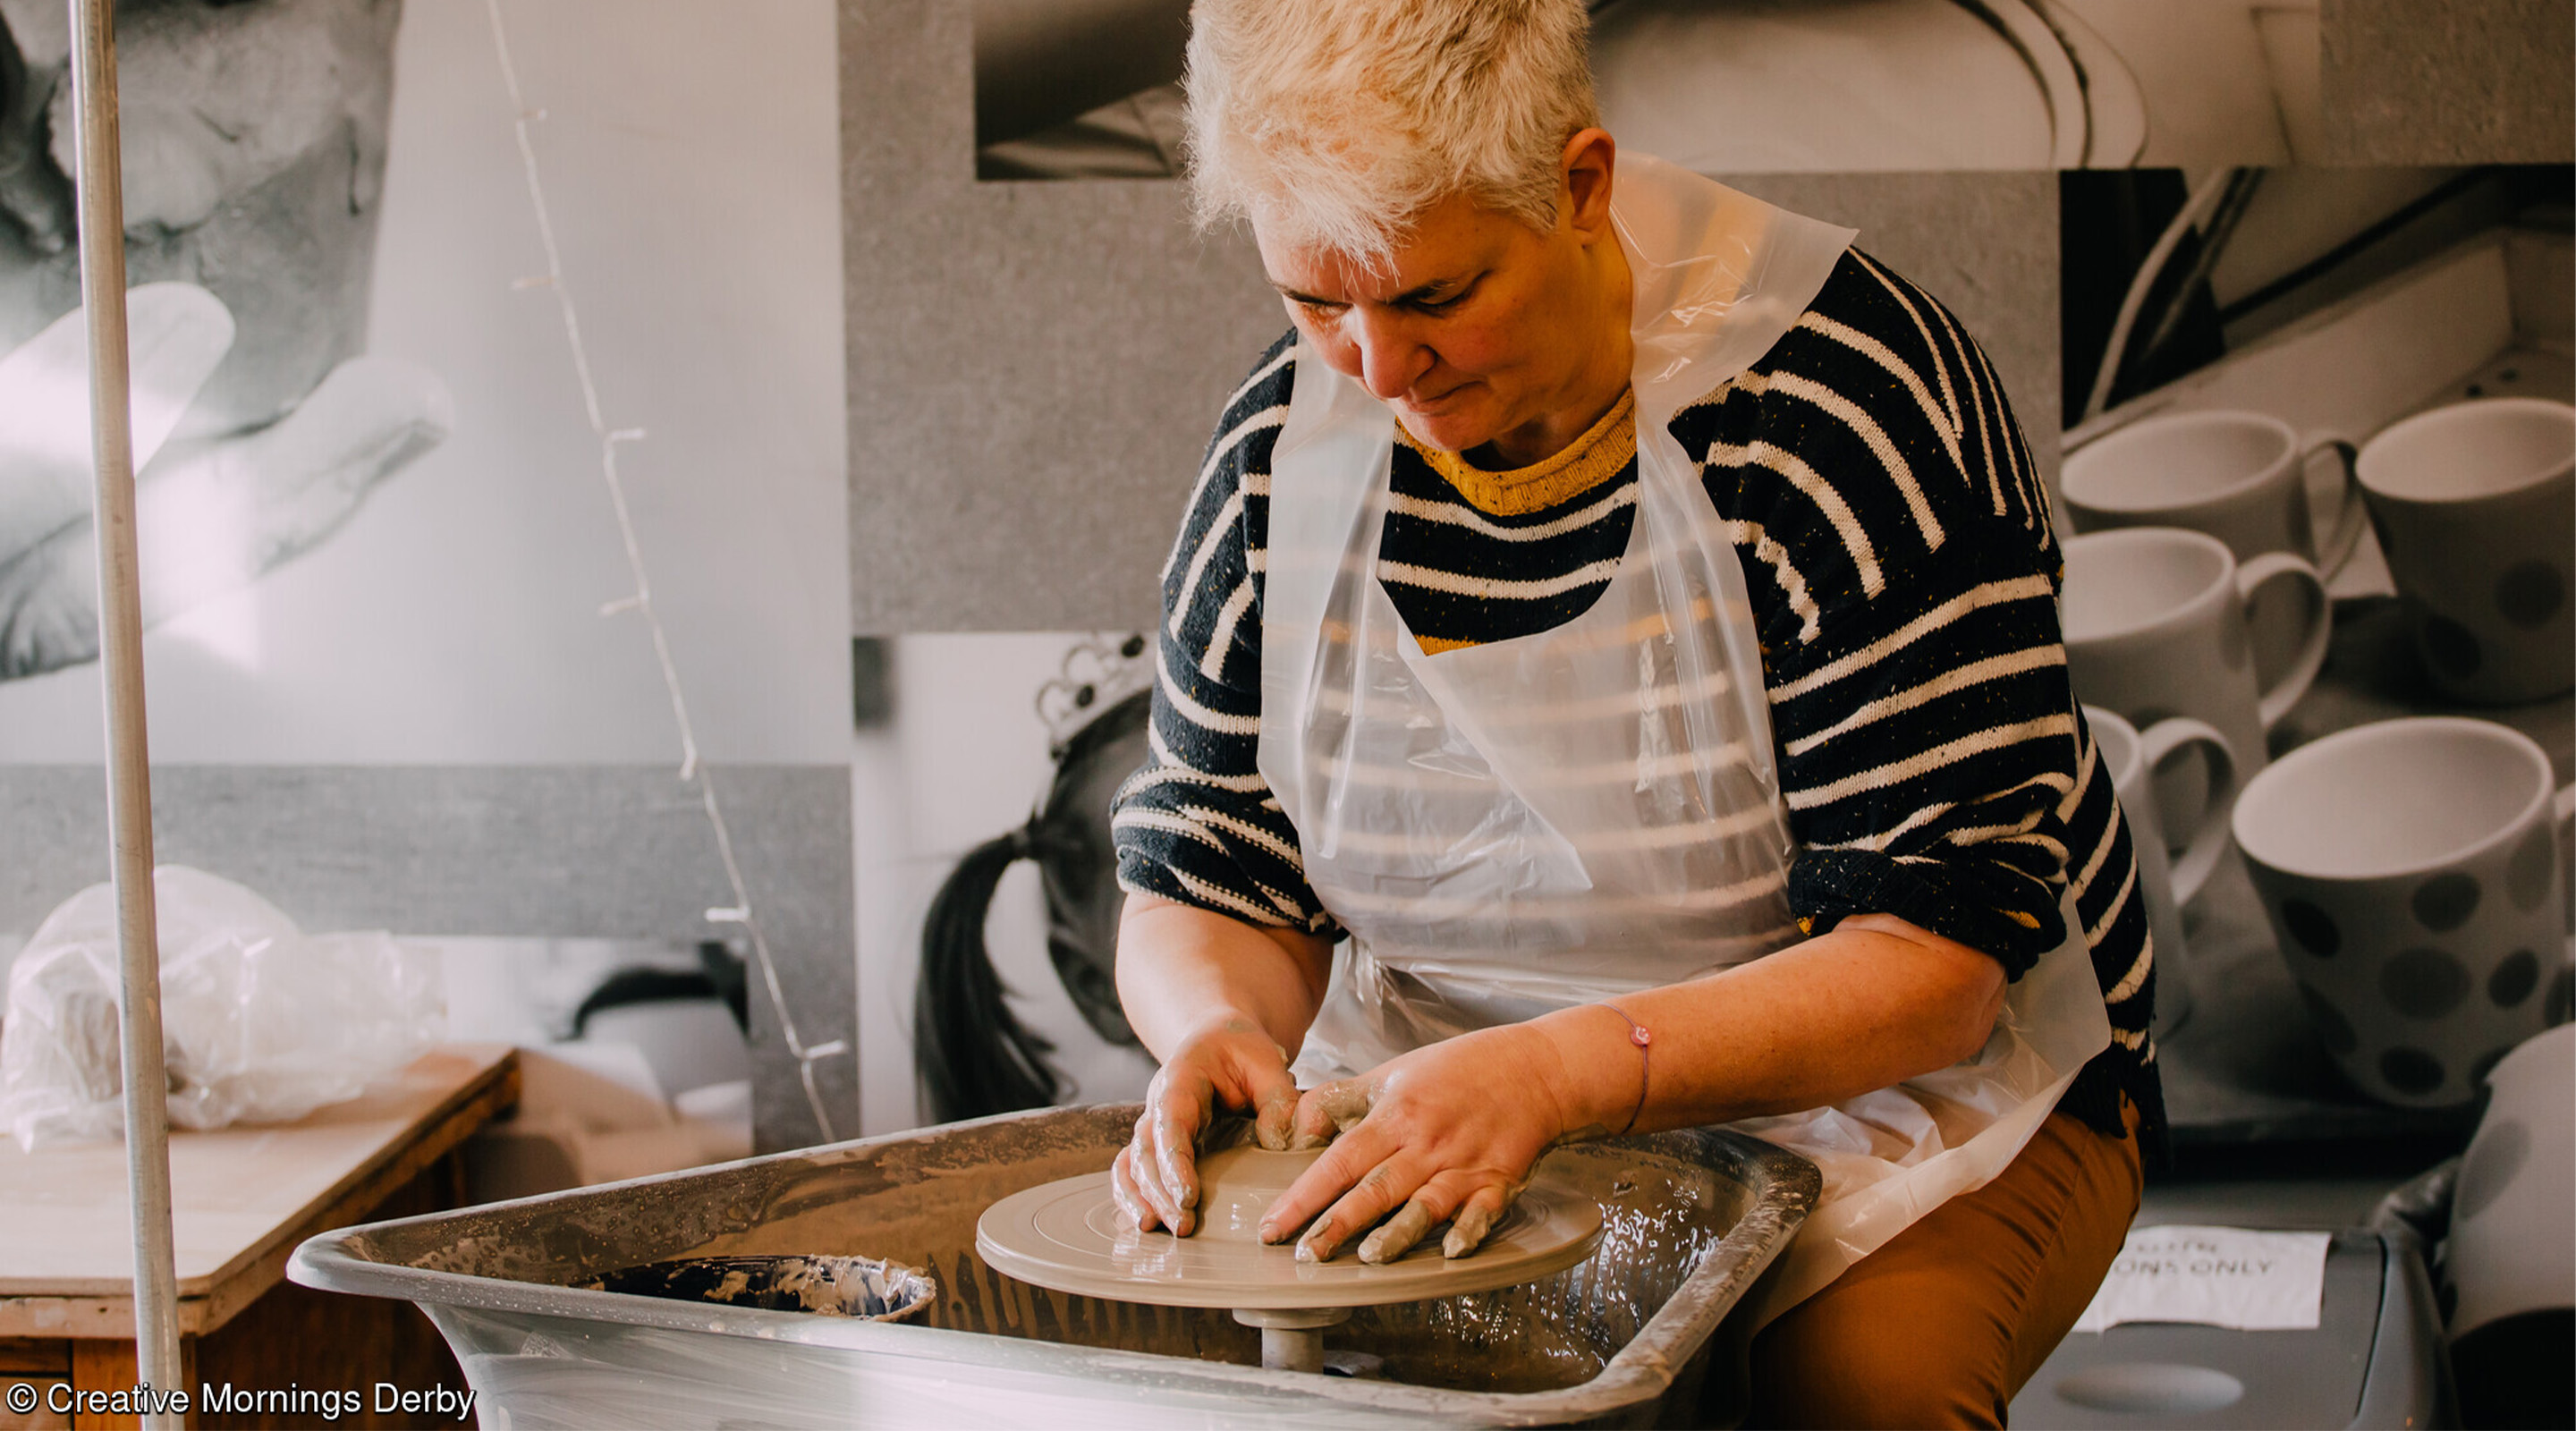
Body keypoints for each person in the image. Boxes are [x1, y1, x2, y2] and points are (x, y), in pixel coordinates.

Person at [1106, 3, 2161, 1425]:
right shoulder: (1280, 458)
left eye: (1434, 299)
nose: (1377, 371)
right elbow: (1208, 868)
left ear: (1580, 185)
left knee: (1861, 1393)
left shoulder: (1839, 405)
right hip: (1444, 1094)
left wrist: (1560, 1069)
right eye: (1315, 303)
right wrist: (1215, 1023)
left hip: (1900, 1098)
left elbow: (1937, 960)